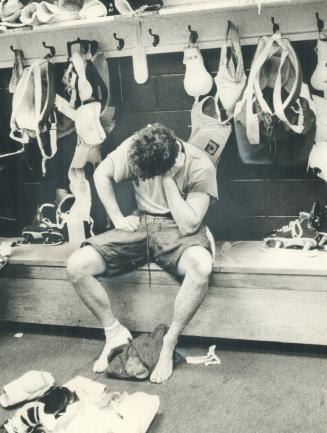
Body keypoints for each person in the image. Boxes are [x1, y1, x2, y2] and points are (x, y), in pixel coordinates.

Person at [66, 123, 218, 383]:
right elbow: (101, 173)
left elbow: (189, 224)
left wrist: (168, 177)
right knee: (77, 265)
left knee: (202, 266)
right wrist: (117, 217)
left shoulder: (200, 164)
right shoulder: (139, 145)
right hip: (140, 225)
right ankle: (114, 332)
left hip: (178, 228)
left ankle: (169, 342)